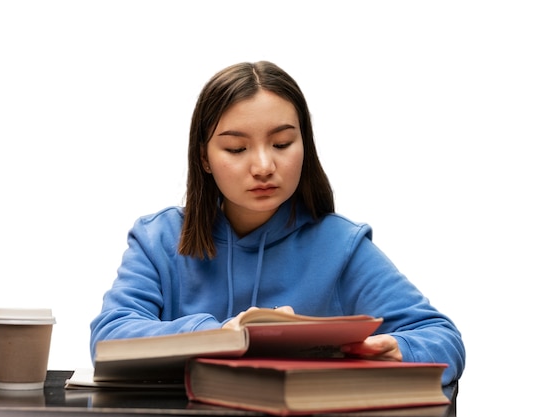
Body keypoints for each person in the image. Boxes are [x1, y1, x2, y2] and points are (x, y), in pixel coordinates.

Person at [90, 61, 465, 385]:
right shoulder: (158, 239)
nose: (264, 166)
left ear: (305, 144)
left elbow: (442, 337)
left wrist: (399, 349)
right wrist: (219, 335)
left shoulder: (341, 246)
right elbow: (109, 339)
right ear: (204, 158)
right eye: (236, 149)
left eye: (282, 143)